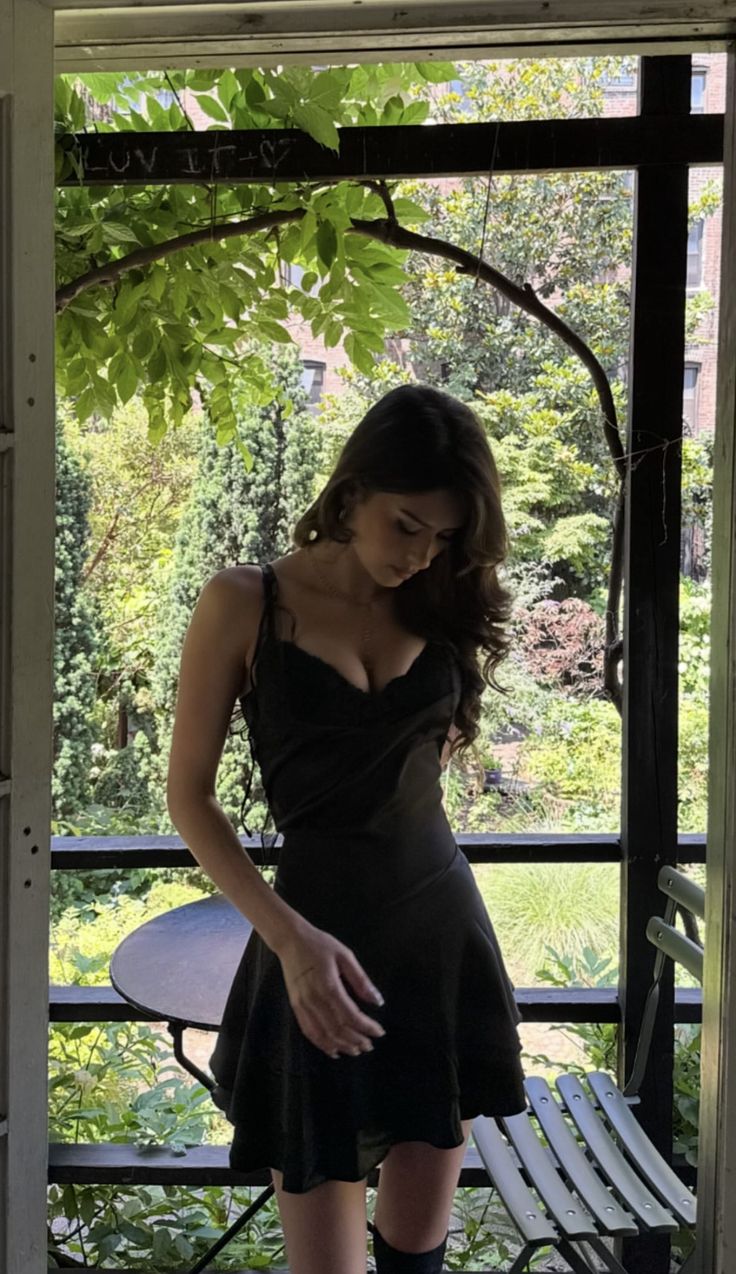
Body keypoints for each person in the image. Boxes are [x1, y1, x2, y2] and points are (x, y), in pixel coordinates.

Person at [166, 383, 526, 1274]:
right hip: (312, 945)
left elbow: (421, 768)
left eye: (444, 537)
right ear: (352, 490)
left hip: (438, 937)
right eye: (407, 525)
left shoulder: (441, 602)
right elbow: (190, 798)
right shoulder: (244, 600)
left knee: (417, 1259)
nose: (422, 553)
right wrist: (288, 941)